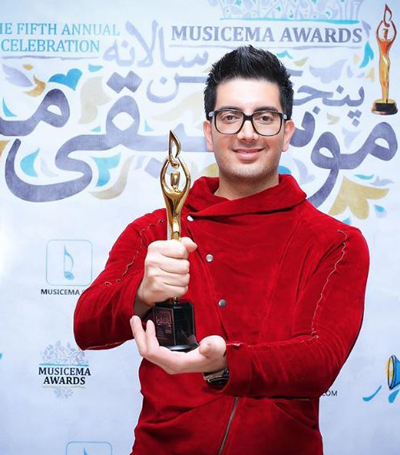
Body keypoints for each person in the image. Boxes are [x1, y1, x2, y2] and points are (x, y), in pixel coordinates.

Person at [74, 45, 369, 455]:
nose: (247, 133)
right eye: (230, 117)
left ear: (287, 133)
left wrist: (225, 362)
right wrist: (140, 292)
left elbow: (321, 360)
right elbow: (86, 327)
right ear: (210, 131)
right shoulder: (154, 232)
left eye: (265, 117)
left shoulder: (335, 242)